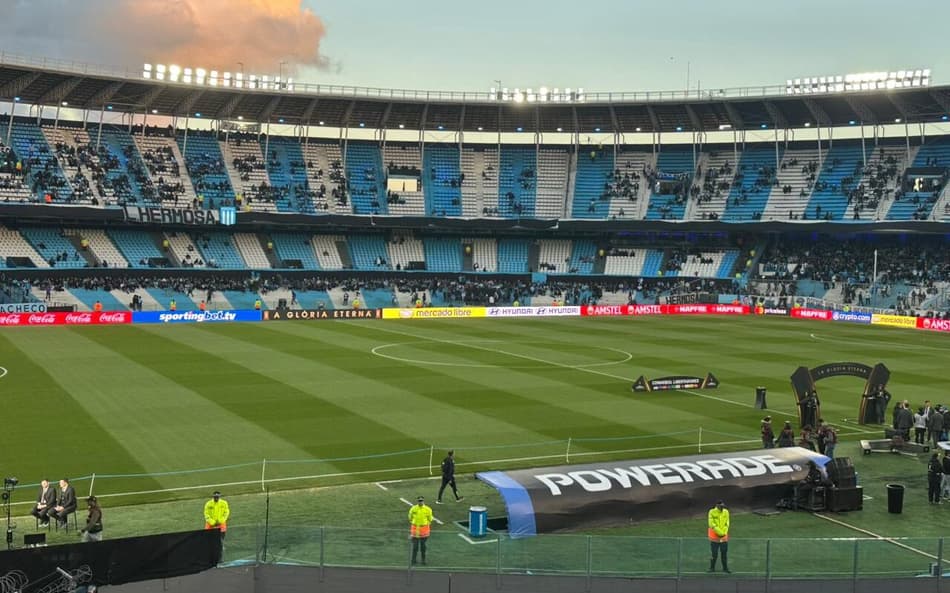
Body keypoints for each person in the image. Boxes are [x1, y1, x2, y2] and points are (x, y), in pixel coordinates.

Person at [408, 495, 433, 565]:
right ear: (417, 501)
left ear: (423, 501)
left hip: (424, 531)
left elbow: (430, 519)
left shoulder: (428, 509)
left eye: (421, 501)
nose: (420, 502)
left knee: (423, 547)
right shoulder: (413, 509)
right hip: (415, 530)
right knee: (415, 547)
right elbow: (410, 517)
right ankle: (413, 560)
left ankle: (423, 560)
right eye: (419, 501)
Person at [707, 500, 730, 573]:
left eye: (723, 505)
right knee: (714, 554)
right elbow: (711, 524)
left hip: (724, 538)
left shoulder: (726, 512)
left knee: (724, 554)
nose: (722, 507)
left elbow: (727, 523)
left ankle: (725, 568)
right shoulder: (712, 512)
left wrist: (724, 532)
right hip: (714, 538)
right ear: (717, 505)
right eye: (721, 506)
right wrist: (720, 533)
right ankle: (712, 568)